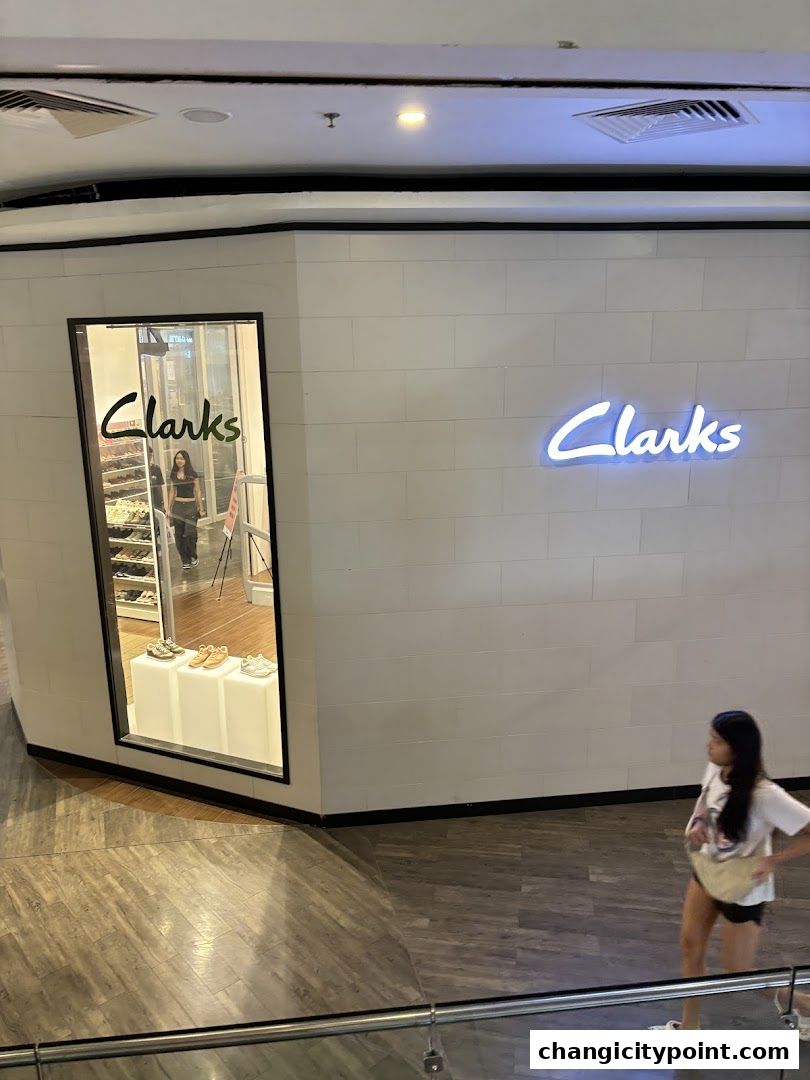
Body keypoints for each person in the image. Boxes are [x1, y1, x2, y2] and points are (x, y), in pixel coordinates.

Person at [652, 710, 810, 1033]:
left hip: (745, 886)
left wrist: (772, 860)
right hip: (708, 872)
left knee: (738, 973)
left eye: (717, 741)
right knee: (690, 944)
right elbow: (705, 797)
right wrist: (697, 821)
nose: (709, 746)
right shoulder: (717, 769)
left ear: (738, 748)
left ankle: (803, 1004)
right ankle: (689, 1029)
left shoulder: (765, 794)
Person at [168, 449, 203, 570]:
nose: (179, 461)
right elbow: (172, 491)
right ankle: (185, 559)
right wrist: (168, 508)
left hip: (190, 506)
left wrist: (201, 507)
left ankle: (193, 555)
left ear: (186, 460)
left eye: (182, 458)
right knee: (179, 536)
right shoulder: (173, 474)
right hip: (178, 506)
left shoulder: (192, 474)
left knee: (190, 534)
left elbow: (197, 491)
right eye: (177, 458)